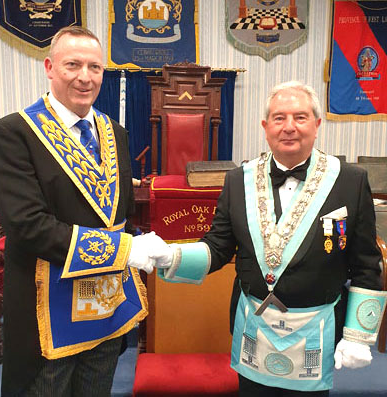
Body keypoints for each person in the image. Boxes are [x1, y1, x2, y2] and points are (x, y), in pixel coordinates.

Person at [154, 81, 387, 396]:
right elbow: (218, 248)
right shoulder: (239, 180)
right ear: (265, 127)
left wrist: (359, 334)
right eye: (279, 118)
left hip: (316, 330)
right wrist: (172, 257)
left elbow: (366, 264)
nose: (289, 127)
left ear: (317, 125)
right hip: (254, 328)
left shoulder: (350, 180)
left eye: (300, 117)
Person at [0, 26, 167, 396]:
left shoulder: (114, 132)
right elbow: (27, 226)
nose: (85, 77)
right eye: (73, 65)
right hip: (47, 311)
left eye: (95, 67)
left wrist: (139, 241)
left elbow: (119, 214)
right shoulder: (12, 133)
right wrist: (124, 250)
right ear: (50, 67)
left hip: (104, 302)